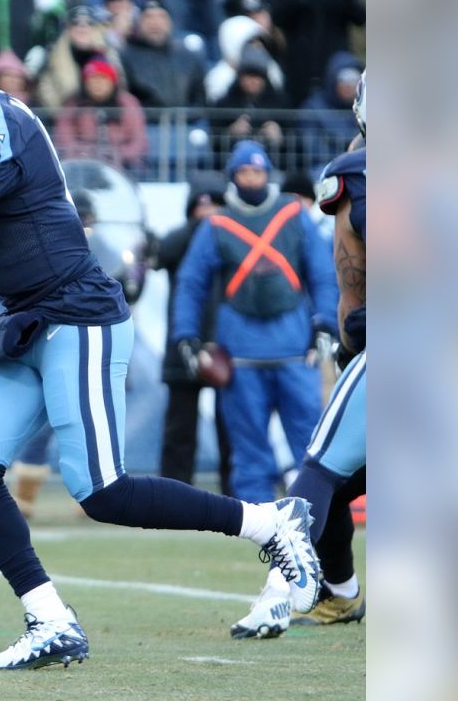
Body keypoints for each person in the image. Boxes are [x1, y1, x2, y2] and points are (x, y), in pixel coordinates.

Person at [0, 2, 320, 670]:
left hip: (78, 313)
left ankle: (271, 524)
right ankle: (50, 620)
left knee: (102, 491)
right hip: (27, 316)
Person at [231, 73, 367, 638]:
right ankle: (339, 593)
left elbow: (352, 275)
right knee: (335, 482)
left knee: (319, 471)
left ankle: (279, 592)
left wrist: (355, 335)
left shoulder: (355, 175)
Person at [171, 140, 338, 503]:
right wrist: (186, 334)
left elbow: (323, 273)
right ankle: (259, 523)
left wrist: (326, 322)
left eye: (258, 171)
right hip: (242, 351)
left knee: (310, 445)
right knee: (248, 450)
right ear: (234, 177)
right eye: (245, 172)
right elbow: (191, 282)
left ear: (268, 174)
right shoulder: (217, 223)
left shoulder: (292, 214)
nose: (252, 178)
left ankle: (316, 517)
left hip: (293, 346)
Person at [155, 187, 233, 494]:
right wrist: (201, 228)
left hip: (226, 343)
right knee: (180, 430)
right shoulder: (181, 239)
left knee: (232, 429)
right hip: (184, 346)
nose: (208, 212)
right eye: (201, 207)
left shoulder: (233, 237)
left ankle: (237, 494)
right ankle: (173, 495)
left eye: (215, 205)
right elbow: (160, 254)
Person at [51, 59, 147, 171]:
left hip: (125, 166)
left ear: (113, 82)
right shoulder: (73, 105)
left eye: (103, 79)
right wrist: (85, 153)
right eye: (93, 79)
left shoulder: (127, 103)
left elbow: (138, 141)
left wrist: (118, 155)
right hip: (82, 165)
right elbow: (63, 138)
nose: (98, 84)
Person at [117, 0, 207, 109]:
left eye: (161, 16)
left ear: (170, 22)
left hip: (186, 122)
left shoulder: (189, 56)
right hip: (145, 123)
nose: (155, 23)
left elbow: (200, 100)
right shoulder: (125, 56)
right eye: (148, 17)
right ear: (138, 23)